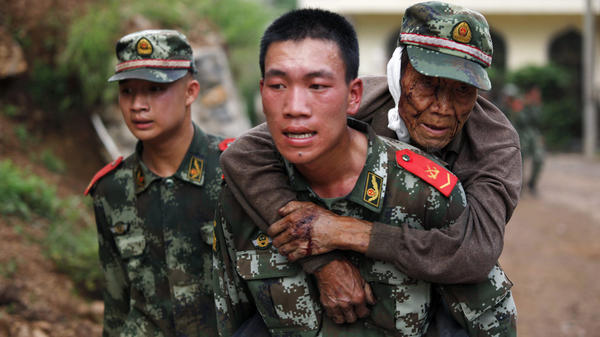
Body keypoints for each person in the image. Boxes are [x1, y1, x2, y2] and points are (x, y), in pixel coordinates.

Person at [220, 2, 520, 336]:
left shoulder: (494, 142)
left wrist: (346, 232)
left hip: (438, 288)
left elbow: (475, 252)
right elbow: (244, 154)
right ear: (399, 69)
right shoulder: (358, 102)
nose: (442, 108)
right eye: (426, 84)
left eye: (462, 90)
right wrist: (321, 261)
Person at [85, 30, 228, 337]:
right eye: (127, 91)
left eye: (154, 89)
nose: (138, 105)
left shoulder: (233, 172)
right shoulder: (111, 190)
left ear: (191, 92)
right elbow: (116, 303)